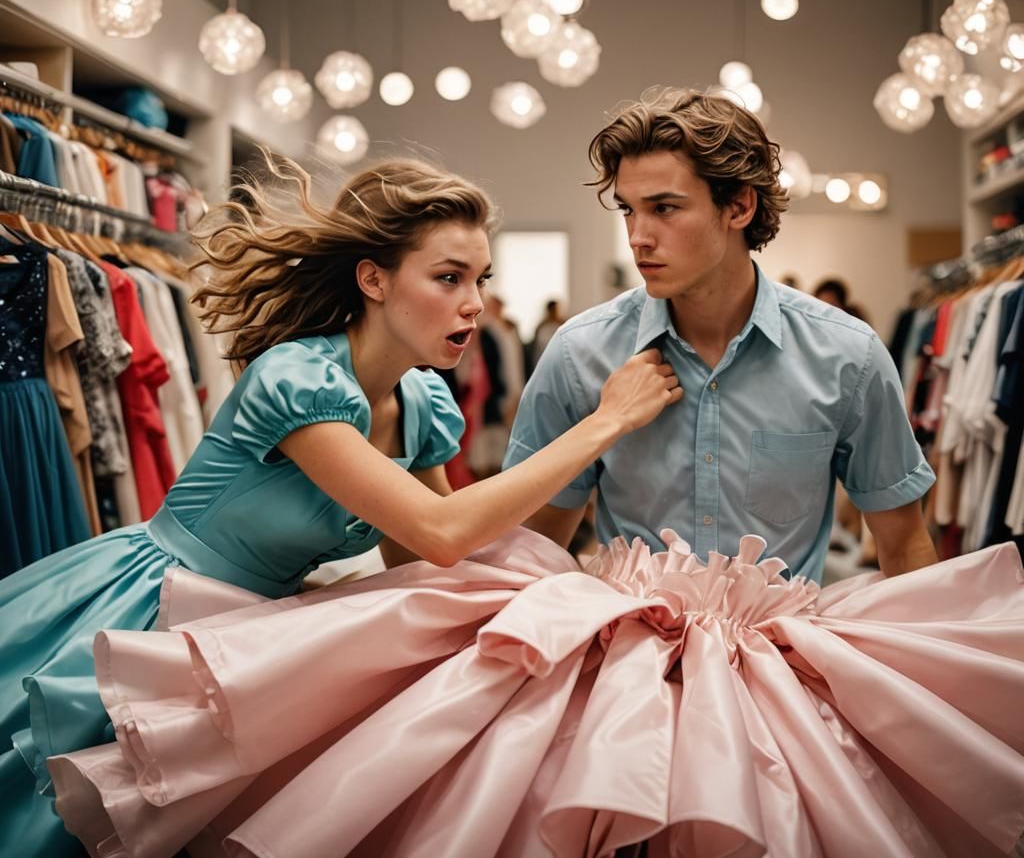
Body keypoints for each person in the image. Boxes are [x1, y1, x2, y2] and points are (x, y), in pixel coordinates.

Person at [0, 155, 681, 855]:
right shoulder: (297, 380)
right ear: (374, 279)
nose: (474, 303)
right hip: (152, 611)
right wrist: (604, 424)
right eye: (449, 278)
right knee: (61, 823)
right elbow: (441, 531)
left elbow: (422, 563)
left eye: (481, 280)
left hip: (254, 639)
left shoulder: (421, 404)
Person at [505, 87, 938, 582]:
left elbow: (904, 549)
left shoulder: (848, 357)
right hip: (627, 653)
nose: (637, 237)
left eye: (664, 208)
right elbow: (536, 554)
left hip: (785, 653)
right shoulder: (579, 355)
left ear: (738, 207)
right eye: (627, 209)